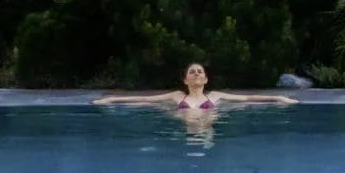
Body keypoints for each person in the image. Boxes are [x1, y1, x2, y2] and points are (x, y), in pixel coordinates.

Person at [93, 62, 296, 109]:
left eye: (200, 71)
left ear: (206, 79)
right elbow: (145, 100)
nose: (197, 73)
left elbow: (248, 99)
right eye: (192, 72)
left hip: (207, 131)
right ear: (186, 80)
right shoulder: (177, 96)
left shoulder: (215, 96)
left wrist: (278, 98)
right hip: (185, 131)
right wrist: (111, 100)